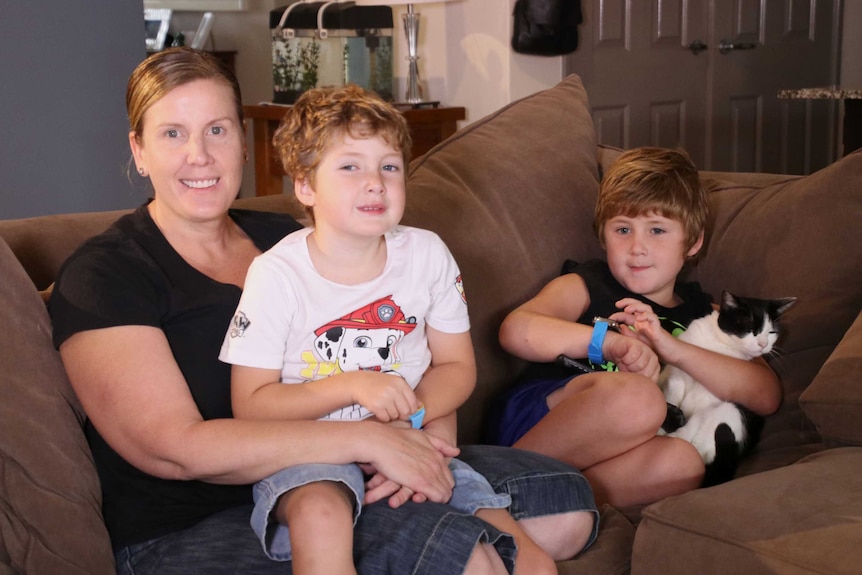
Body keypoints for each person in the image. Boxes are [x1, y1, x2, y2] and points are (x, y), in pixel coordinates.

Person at [48, 47, 597, 575]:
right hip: (196, 522)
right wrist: (372, 440)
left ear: (243, 142)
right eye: (173, 134)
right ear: (139, 150)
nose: (200, 154)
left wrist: (415, 439)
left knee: (569, 516)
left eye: (217, 129)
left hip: (355, 460)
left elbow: (425, 357)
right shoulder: (105, 274)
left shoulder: (296, 237)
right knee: (470, 557)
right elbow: (176, 451)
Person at [220, 84, 579, 574]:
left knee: (532, 560)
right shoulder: (276, 275)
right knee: (320, 515)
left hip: (415, 438)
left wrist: (412, 430)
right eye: (350, 166)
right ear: (305, 186)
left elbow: (456, 367)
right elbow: (252, 405)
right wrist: (351, 386)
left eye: (388, 166)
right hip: (310, 454)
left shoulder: (428, 254)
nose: (375, 182)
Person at [492, 147, 783, 508]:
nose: (637, 248)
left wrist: (671, 349)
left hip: (614, 452)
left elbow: (766, 395)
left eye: (657, 230)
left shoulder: (704, 315)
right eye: (623, 229)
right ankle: (494, 479)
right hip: (544, 424)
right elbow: (516, 330)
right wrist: (609, 344)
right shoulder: (588, 284)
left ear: (692, 242)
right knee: (640, 399)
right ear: (603, 236)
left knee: (684, 462)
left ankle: (527, 501)